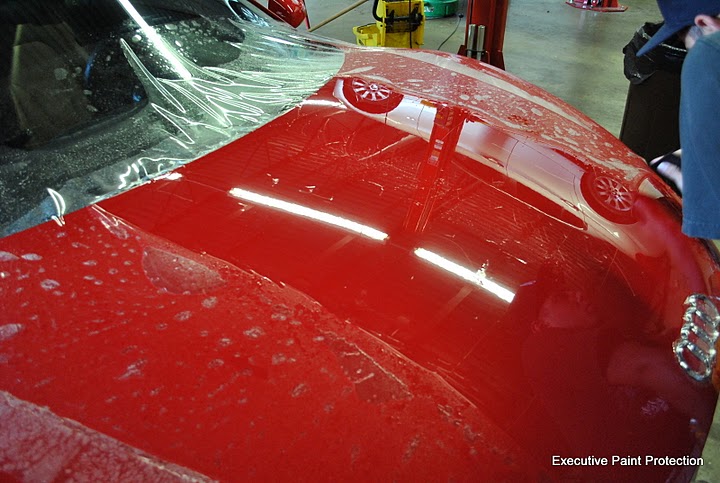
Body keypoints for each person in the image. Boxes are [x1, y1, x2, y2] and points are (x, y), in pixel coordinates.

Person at [639, 0, 720, 240]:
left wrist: (700, 182)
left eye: (685, 42)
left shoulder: (709, 53)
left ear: (705, 23)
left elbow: (712, 215)